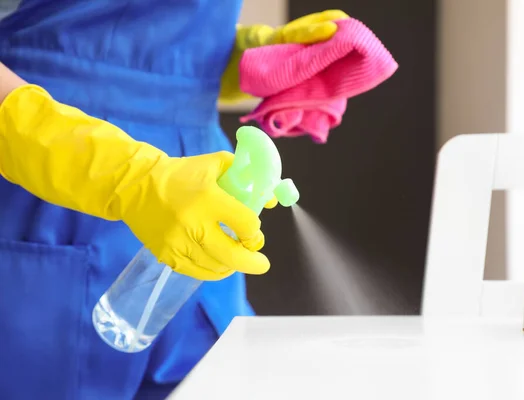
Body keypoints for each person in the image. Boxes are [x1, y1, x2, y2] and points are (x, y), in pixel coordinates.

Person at [0, 2, 348, 399]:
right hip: (51, 185)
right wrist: (132, 178)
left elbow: (152, 48)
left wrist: (258, 59)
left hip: (201, 203)